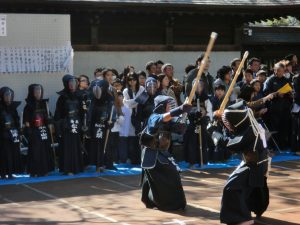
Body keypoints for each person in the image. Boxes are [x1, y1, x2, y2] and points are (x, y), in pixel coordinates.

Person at [213, 101, 270, 225]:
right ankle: (248, 210)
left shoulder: (249, 131)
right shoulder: (249, 124)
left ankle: (243, 218)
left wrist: (214, 134)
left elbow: (232, 144)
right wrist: (220, 121)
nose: (229, 123)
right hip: (256, 163)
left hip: (254, 166)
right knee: (241, 188)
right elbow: (235, 132)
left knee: (231, 188)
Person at [140, 95, 192, 210]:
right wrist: (180, 109)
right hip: (152, 153)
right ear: (161, 105)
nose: (170, 106)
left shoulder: (168, 120)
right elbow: (163, 118)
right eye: (168, 104)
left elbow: (179, 129)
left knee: (165, 176)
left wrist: (185, 121)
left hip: (162, 152)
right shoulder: (154, 117)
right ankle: (166, 204)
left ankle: (152, 200)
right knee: (169, 174)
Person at [54, 74, 84, 175]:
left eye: (74, 83)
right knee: (67, 147)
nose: (72, 85)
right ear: (66, 84)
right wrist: (59, 127)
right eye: (70, 83)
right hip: (66, 125)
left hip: (76, 124)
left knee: (76, 146)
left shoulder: (79, 96)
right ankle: (67, 169)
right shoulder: (62, 98)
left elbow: (81, 111)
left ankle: (77, 167)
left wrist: (83, 123)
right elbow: (58, 114)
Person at [23, 84, 55, 177]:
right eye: (36, 91)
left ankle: (45, 170)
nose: (38, 93)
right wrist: (28, 129)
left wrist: (49, 120)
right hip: (34, 131)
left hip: (44, 129)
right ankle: (35, 171)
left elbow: (49, 116)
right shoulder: (28, 106)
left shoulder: (44, 104)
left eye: (39, 91)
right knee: (36, 151)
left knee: (45, 149)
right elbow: (26, 120)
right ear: (32, 93)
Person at [87, 79, 117, 171]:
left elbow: (113, 113)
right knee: (95, 145)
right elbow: (89, 114)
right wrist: (88, 125)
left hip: (105, 127)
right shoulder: (92, 100)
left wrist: (111, 121)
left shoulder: (109, 100)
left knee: (106, 145)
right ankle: (96, 163)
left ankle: (105, 163)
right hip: (94, 126)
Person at [183, 80, 213, 167]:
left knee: (202, 142)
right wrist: (185, 119)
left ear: (202, 86)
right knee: (191, 143)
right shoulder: (189, 98)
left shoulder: (206, 98)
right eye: (195, 85)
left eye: (199, 85)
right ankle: (192, 161)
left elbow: (209, 111)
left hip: (202, 123)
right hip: (192, 123)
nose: (197, 87)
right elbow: (185, 110)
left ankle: (202, 161)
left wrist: (206, 118)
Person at [263, 62, 292, 149]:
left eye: (282, 71)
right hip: (273, 109)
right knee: (273, 129)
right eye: (278, 71)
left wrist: (290, 94)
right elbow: (265, 93)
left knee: (283, 128)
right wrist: (276, 94)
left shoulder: (286, 80)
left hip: (285, 109)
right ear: (274, 70)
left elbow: (290, 91)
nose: (280, 73)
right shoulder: (270, 80)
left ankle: (282, 146)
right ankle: (272, 147)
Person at [122, 72, 145, 164]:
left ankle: (141, 159)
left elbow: (142, 101)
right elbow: (127, 105)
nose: (132, 82)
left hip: (140, 116)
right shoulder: (126, 91)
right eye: (130, 80)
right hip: (130, 117)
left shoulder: (142, 89)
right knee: (132, 139)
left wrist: (131, 102)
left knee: (140, 137)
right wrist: (136, 101)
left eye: (134, 79)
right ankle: (133, 159)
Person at [0, 87, 22, 179]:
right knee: (4, 155)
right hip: (2, 136)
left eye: (9, 95)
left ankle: (10, 172)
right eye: (6, 95)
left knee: (12, 154)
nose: (8, 97)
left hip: (12, 135)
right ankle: (2, 173)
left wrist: (19, 130)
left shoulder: (13, 108)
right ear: (2, 96)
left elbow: (17, 120)